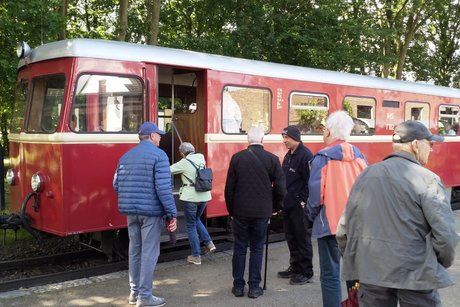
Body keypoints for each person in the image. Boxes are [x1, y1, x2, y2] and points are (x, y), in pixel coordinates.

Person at [337, 120, 459, 307]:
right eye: (430, 144)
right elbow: (446, 236)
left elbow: (343, 231)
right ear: (416, 145)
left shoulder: (366, 175)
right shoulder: (428, 179)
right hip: (415, 272)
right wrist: (437, 261)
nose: (432, 150)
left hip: (372, 270)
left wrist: (359, 261)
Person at [306, 111, 367, 307]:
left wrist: (310, 215)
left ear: (329, 131)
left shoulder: (322, 159)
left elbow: (316, 196)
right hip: (355, 226)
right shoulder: (360, 158)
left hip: (330, 225)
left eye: (324, 129)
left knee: (330, 275)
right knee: (355, 274)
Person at [113, 121, 177, 307]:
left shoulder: (125, 156)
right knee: (149, 252)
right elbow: (163, 189)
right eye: (159, 135)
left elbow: (116, 185)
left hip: (130, 212)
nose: (160, 138)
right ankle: (145, 297)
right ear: (151, 136)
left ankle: (134, 294)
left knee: (135, 251)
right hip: (150, 213)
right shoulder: (160, 156)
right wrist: (171, 213)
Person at [225, 127, 286, 299]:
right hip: (262, 212)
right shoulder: (272, 159)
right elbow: (281, 188)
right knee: (257, 248)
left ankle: (238, 286)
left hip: (240, 211)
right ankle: (254, 287)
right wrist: (275, 208)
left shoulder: (237, 159)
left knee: (240, 247)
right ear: (262, 140)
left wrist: (231, 211)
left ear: (247, 140)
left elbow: (229, 189)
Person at [277, 125, 315, 285]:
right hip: (288, 204)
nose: (284, 141)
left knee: (302, 238)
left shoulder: (306, 156)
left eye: (287, 138)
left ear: (296, 138)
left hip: (298, 206)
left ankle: (306, 271)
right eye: (284, 138)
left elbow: (311, 181)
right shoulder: (289, 155)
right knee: (291, 237)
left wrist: (302, 200)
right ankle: (295, 266)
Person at [170, 142, 216, 265]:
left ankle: (196, 255)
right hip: (204, 196)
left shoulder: (184, 162)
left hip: (191, 197)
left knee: (190, 225)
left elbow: (168, 170)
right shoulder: (201, 158)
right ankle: (209, 243)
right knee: (196, 220)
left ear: (182, 153)